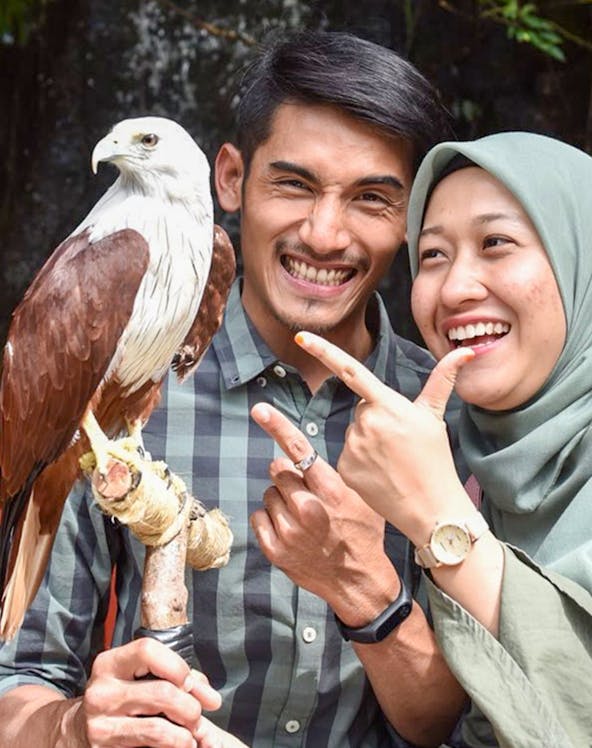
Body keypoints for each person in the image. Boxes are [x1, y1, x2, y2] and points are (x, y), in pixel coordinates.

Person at [0, 30, 470, 748]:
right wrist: (75, 727)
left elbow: (470, 721)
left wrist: (367, 591)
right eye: (294, 183)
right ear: (229, 179)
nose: (323, 234)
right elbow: (17, 676)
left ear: (412, 220)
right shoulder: (120, 389)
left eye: (372, 199)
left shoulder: (454, 413)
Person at [254, 131, 592, 747]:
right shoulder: (463, 452)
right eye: (433, 255)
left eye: (497, 243)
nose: (456, 288)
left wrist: (436, 513)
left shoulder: (432, 467)